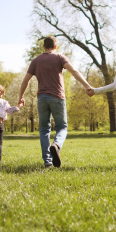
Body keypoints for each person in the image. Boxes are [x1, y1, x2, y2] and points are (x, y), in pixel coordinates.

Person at [18, 36, 91, 168]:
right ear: (55, 46)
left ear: (43, 46)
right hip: (57, 97)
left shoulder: (36, 61)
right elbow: (73, 71)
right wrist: (87, 86)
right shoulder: (59, 57)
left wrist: (20, 97)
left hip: (41, 99)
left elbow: (25, 81)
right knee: (62, 127)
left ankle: (48, 162)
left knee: (44, 130)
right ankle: (56, 145)